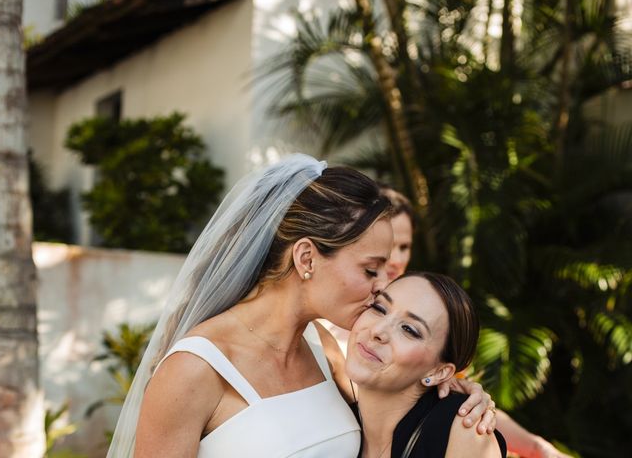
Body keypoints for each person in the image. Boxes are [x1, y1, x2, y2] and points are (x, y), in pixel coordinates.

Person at [107, 154, 495, 458]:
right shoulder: (194, 370)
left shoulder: (326, 349)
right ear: (307, 259)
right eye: (371, 269)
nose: (382, 287)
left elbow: (393, 410)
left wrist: (462, 394)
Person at [377, 185, 572, 458]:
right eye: (389, 245)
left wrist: (538, 448)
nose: (396, 260)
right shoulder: (344, 326)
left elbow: (464, 408)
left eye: (405, 247)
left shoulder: (429, 316)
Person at [346, 271, 507, 458]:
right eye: (380, 308)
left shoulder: (463, 429)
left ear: (439, 372)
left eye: (409, 329)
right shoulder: (334, 421)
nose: (377, 330)